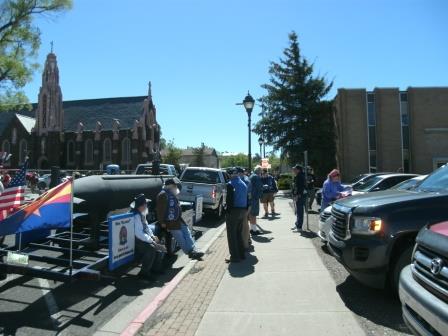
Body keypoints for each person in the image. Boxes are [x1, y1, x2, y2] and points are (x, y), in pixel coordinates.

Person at [156, 178, 204, 260]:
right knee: (180, 237)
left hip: (178, 219)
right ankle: (190, 252)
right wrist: (162, 222)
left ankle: (193, 250)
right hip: (170, 221)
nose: (176, 187)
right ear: (169, 185)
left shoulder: (171, 193)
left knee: (187, 233)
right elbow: (160, 210)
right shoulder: (163, 194)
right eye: (174, 185)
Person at [131, 194, 167, 281]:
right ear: (142, 206)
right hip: (136, 240)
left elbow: (146, 227)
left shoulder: (141, 214)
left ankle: (155, 268)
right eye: (146, 204)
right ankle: (144, 273)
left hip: (142, 238)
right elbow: (139, 233)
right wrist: (151, 241)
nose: (147, 205)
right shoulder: (136, 216)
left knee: (159, 244)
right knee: (151, 248)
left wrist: (153, 236)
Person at [225, 167, 248, 263]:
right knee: (238, 233)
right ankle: (241, 254)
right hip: (243, 210)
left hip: (234, 211)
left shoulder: (230, 184)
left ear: (230, 174)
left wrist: (227, 211)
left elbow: (229, 200)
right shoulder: (243, 183)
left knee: (232, 235)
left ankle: (234, 257)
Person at [237, 167, 251, 249]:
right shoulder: (245, 180)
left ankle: (245, 244)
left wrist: (248, 207)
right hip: (246, 205)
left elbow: (248, 195)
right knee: (245, 225)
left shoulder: (244, 181)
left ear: (241, 173)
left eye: (237, 173)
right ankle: (248, 241)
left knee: (244, 226)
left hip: (245, 206)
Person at [249, 166, 263, 235]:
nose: (262, 173)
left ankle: (252, 229)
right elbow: (259, 187)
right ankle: (254, 230)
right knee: (253, 214)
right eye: (261, 171)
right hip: (254, 198)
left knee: (251, 214)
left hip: (251, 197)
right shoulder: (256, 177)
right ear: (259, 171)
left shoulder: (251, 176)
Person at [292, 164, 306, 232]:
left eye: (295, 169)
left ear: (298, 170)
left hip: (300, 196)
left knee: (300, 211)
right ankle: (297, 224)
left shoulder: (300, 176)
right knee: (298, 211)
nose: (293, 170)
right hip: (298, 195)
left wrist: (297, 195)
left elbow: (300, 187)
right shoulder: (298, 176)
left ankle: (299, 227)